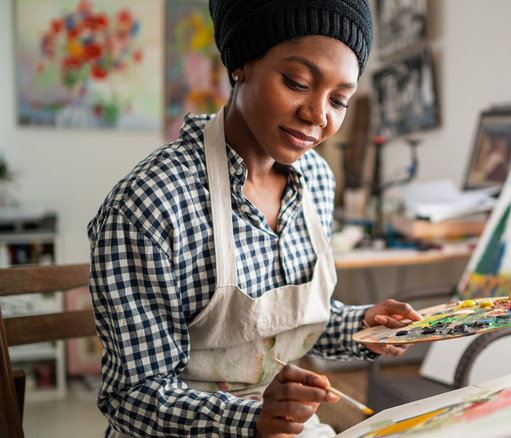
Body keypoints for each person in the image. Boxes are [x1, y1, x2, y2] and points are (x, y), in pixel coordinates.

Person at [87, 1, 422, 437]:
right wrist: (253, 420)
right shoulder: (150, 205)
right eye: (297, 82)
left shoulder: (317, 178)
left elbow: (280, 327)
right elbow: (132, 395)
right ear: (242, 63)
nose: (319, 116)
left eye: (340, 100)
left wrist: (363, 326)